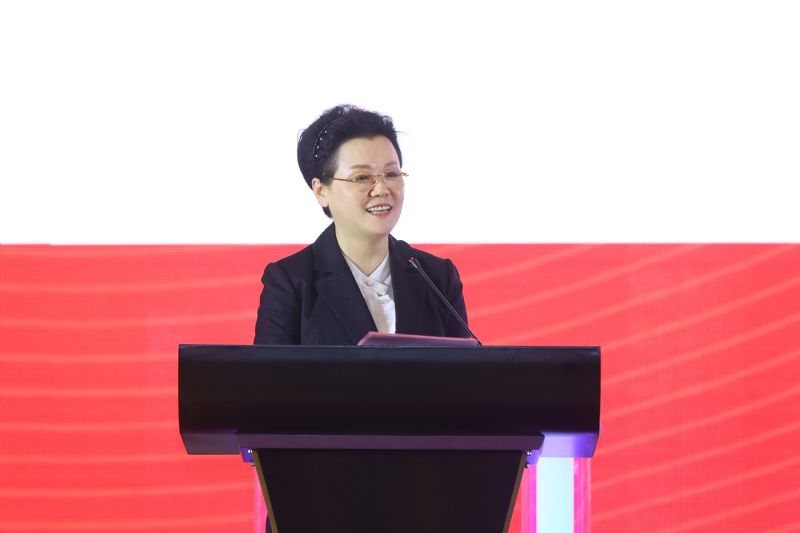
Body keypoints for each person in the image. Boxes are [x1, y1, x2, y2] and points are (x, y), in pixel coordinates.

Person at [254, 104, 471, 345]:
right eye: (361, 177)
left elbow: (464, 366)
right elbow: (271, 371)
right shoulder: (291, 283)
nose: (381, 189)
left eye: (391, 174)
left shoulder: (437, 278)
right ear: (321, 191)